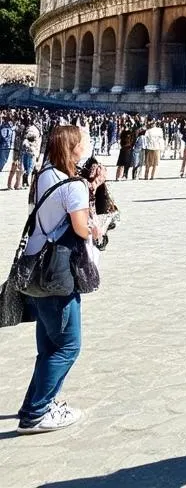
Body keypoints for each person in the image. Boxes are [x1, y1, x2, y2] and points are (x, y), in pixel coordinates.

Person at [16, 125, 102, 433]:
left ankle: (36, 404)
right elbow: (81, 228)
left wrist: (88, 187)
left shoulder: (44, 175)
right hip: (58, 272)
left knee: (49, 347)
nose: (88, 145)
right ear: (73, 148)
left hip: (35, 268)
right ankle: (36, 414)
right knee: (68, 346)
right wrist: (97, 228)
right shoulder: (72, 184)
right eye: (84, 142)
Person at [22, 121, 42, 187]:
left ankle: (25, 181)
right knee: (30, 167)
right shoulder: (35, 130)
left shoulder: (29, 129)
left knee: (27, 167)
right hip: (32, 151)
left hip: (27, 151)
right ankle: (27, 181)